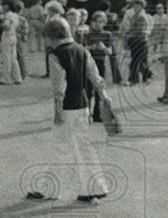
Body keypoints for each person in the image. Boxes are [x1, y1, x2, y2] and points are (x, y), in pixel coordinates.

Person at [26, 17, 111, 203]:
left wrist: (57, 111)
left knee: (59, 147)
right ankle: (95, 187)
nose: (46, 41)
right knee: (83, 146)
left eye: (47, 37)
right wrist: (103, 96)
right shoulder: (83, 50)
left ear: (53, 36)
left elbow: (59, 87)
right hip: (83, 105)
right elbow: (95, 77)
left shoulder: (55, 55)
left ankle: (50, 190)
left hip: (67, 107)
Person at [123, 0, 153, 85]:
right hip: (135, 40)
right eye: (134, 5)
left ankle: (134, 79)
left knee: (135, 60)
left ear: (141, 6)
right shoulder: (135, 15)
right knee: (140, 60)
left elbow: (140, 30)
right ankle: (147, 76)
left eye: (137, 5)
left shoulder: (142, 16)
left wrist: (129, 33)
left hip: (140, 40)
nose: (135, 7)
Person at [0, 0, 23, 85]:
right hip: (14, 36)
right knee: (13, 58)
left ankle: (6, 78)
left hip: (7, 36)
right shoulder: (16, 15)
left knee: (6, 57)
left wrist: (0, 24)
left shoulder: (7, 15)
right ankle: (18, 77)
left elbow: (6, 27)